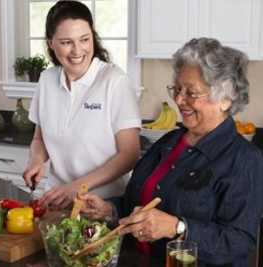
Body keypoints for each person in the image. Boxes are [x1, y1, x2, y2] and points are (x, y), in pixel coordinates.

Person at [80, 38, 263, 267]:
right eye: (177, 89)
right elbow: (137, 203)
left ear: (225, 100)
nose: (178, 100)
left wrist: (178, 227)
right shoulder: (169, 141)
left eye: (191, 93)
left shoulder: (244, 159)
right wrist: (109, 209)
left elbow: (239, 242)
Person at [23, 0, 141, 209]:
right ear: (51, 43)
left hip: (102, 206)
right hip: (56, 202)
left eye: (84, 39)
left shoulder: (115, 81)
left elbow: (129, 155)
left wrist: (77, 187)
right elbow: (39, 138)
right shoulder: (47, 80)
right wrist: (36, 161)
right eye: (67, 42)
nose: (77, 50)